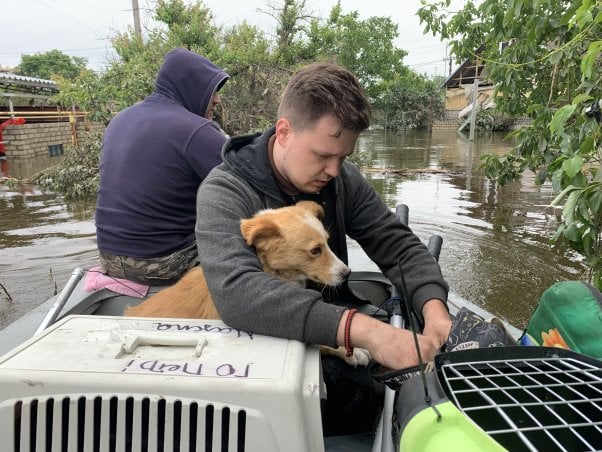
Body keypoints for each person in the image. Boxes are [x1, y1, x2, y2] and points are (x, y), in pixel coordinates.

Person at [195, 61, 451, 433]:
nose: (334, 171)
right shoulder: (224, 193)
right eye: (323, 155)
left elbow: (397, 245)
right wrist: (370, 333)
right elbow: (236, 294)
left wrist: (434, 307)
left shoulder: (342, 180)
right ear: (284, 132)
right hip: (254, 347)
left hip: (333, 330)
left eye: (343, 157)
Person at [95, 48, 229, 285]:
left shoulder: (120, 119)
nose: (217, 99)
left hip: (109, 259)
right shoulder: (195, 129)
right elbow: (247, 181)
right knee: (260, 238)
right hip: (162, 263)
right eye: (212, 91)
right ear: (192, 88)